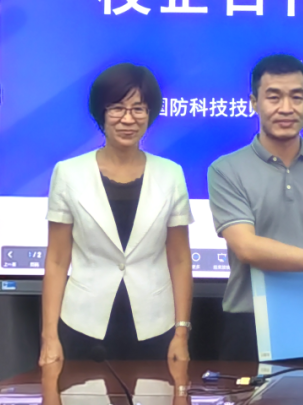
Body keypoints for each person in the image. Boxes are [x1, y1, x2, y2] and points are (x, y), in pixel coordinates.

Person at [207, 53, 303, 361]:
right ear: (254, 102)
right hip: (249, 322)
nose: (286, 108)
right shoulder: (226, 169)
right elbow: (247, 247)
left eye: (296, 97)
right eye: (274, 97)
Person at [39, 63, 194, 366]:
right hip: (83, 324)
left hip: (155, 326)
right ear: (101, 113)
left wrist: (181, 332)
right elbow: (56, 260)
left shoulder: (171, 174)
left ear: (150, 114)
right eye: (117, 108)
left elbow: (180, 259)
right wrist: (49, 336)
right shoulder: (68, 173)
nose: (128, 119)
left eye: (138, 109)